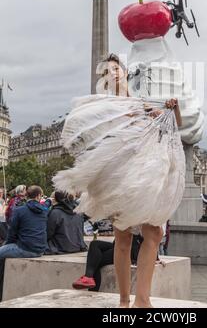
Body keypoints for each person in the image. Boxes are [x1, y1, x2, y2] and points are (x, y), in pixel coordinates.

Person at [54, 53, 184, 308]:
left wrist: (172, 107)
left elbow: (174, 124)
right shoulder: (105, 107)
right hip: (119, 175)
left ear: (124, 72)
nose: (112, 73)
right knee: (123, 237)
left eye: (116, 68)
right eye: (106, 71)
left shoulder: (142, 101)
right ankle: (125, 301)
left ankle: (141, 299)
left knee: (154, 232)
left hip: (144, 176)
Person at [0, 186, 48, 301]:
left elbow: (12, 232)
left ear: (27, 195)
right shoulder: (45, 210)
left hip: (25, 248)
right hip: (41, 249)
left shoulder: (19, 210)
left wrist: (7, 245)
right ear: (38, 196)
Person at [72, 233, 143, 291]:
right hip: (118, 245)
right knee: (94, 244)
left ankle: (88, 278)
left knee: (96, 261)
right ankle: (88, 277)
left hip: (129, 251)